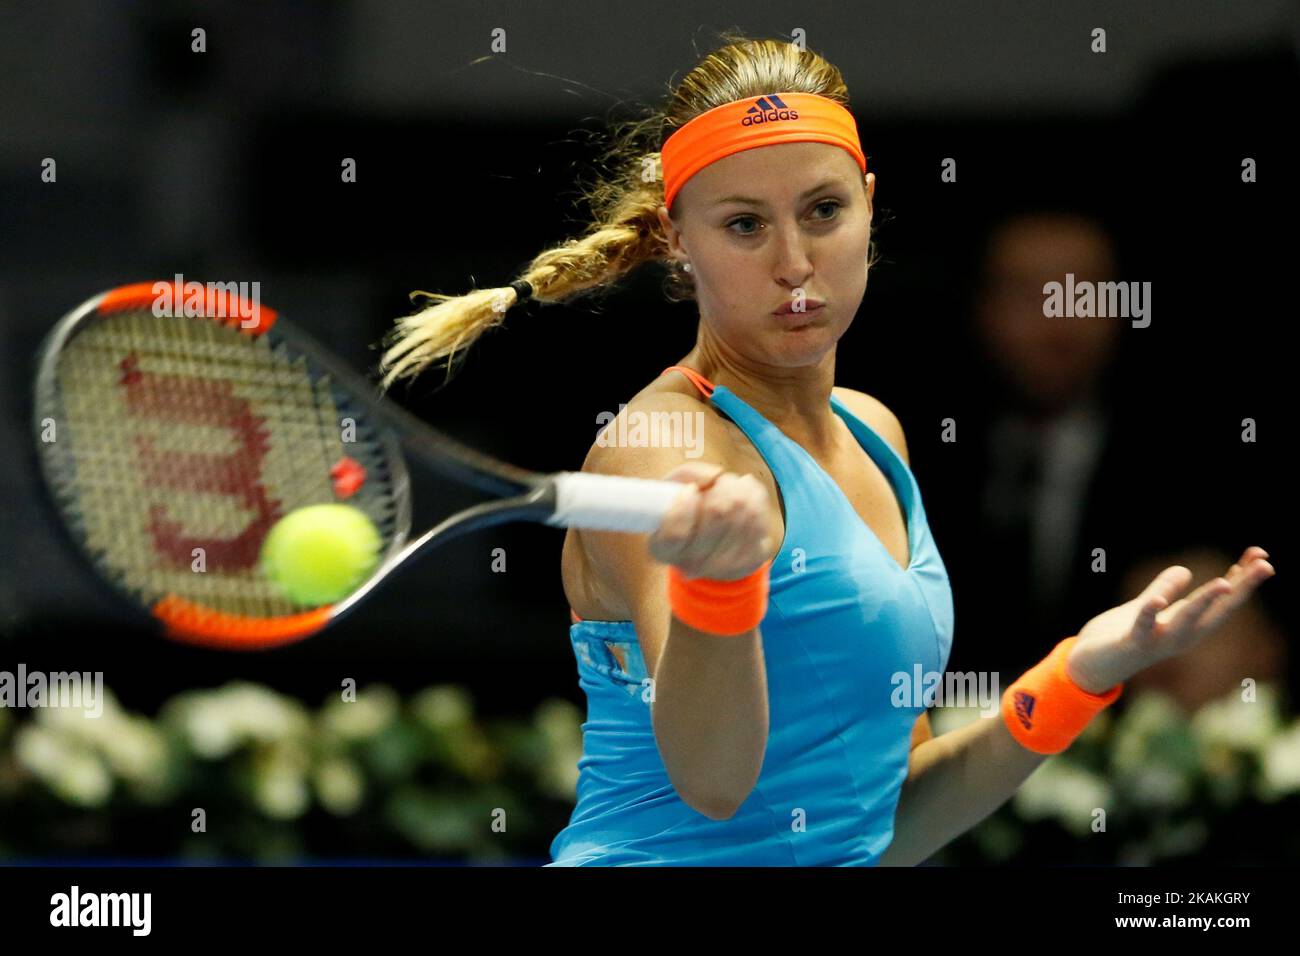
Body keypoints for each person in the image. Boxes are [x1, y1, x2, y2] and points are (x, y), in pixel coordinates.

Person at [376, 35, 1274, 866]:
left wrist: (1080, 674)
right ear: (678, 244)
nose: (795, 262)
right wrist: (717, 587)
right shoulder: (663, 450)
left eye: (823, 210)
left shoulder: (875, 433)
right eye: (743, 225)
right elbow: (716, 783)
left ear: (869, 210)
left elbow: (888, 824)